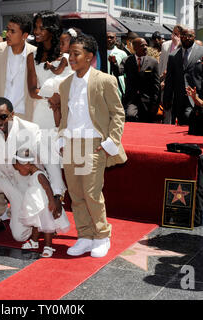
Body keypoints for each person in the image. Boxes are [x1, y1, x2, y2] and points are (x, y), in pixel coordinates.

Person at [0, 97, 66, 243]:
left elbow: (51, 162)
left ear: (12, 114)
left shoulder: (30, 129)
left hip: (24, 186)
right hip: (1, 178)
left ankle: (40, 222)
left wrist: (57, 195)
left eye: (3, 117)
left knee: (19, 236)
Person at [57, 34, 127, 258]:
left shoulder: (104, 80)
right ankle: (85, 236)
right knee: (76, 195)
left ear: (89, 57)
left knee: (91, 193)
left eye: (76, 54)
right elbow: (64, 117)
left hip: (94, 145)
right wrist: (61, 139)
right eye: (70, 54)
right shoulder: (65, 83)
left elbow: (118, 114)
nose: (71, 58)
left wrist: (111, 142)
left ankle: (102, 235)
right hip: (71, 144)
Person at [13, 148, 70, 258]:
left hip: (45, 206)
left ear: (26, 164)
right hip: (37, 206)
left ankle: (48, 246)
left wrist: (52, 202)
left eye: (18, 169)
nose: (19, 172)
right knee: (36, 224)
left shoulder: (39, 174)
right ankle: (34, 241)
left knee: (47, 227)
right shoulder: (34, 174)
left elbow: (48, 188)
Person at [0, 15, 36, 121]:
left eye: (12, 31)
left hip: (25, 115)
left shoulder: (35, 54)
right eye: (7, 30)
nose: (8, 34)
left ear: (25, 35)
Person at [27, 10, 72, 129]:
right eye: (35, 27)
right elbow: (32, 91)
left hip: (66, 111)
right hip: (42, 113)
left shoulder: (68, 54)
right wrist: (51, 96)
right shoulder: (32, 56)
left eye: (41, 28)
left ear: (53, 29)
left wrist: (60, 99)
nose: (36, 32)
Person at [163, 28, 203, 127]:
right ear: (180, 37)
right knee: (181, 124)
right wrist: (167, 98)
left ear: (194, 37)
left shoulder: (201, 51)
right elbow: (169, 79)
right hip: (179, 98)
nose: (187, 38)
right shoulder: (173, 55)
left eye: (190, 36)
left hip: (197, 96)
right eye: (184, 36)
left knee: (190, 120)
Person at [120, 37, 160, 123]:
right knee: (130, 116)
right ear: (135, 48)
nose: (145, 47)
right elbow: (119, 72)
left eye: (146, 45)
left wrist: (155, 103)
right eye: (142, 45)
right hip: (131, 100)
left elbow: (156, 84)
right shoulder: (127, 60)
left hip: (147, 101)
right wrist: (114, 63)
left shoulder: (153, 62)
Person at [106, 31, 127, 100]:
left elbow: (126, 73)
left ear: (115, 39)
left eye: (111, 37)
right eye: (107, 37)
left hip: (118, 85)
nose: (109, 39)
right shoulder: (99, 53)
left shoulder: (122, 53)